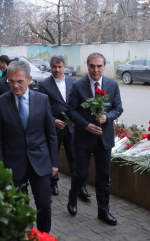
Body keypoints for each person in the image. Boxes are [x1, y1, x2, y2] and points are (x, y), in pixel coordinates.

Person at [0, 60, 58, 233]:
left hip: (40, 162)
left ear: (29, 79)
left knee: (44, 204)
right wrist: (0, 168)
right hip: (13, 164)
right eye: (11, 81)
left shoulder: (42, 100)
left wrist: (54, 163)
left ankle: (44, 236)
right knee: (19, 208)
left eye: (20, 81)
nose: (15, 85)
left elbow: (51, 134)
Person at [66, 53, 123, 225]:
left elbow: (118, 108)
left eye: (99, 66)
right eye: (92, 66)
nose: (95, 70)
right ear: (87, 66)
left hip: (104, 139)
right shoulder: (78, 86)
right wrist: (85, 125)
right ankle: (72, 197)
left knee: (104, 177)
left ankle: (103, 211)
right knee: (81, 173)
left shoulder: (112, 85)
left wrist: (107, 117)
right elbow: (71, 110)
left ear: (104, 66)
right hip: (84, 138)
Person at [38, 55, 90, 198]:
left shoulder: (73, 81)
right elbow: (42, 106)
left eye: (60, 67)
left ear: (64, 67)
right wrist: (53, 120)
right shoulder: (44, 84)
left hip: (72, 127)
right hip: (54, 127)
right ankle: (53, 183)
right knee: (52, 156)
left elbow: (78, 103)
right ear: (51, 67)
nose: (57, 70)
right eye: (54, 67)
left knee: (75, 158)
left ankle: (80, 187)